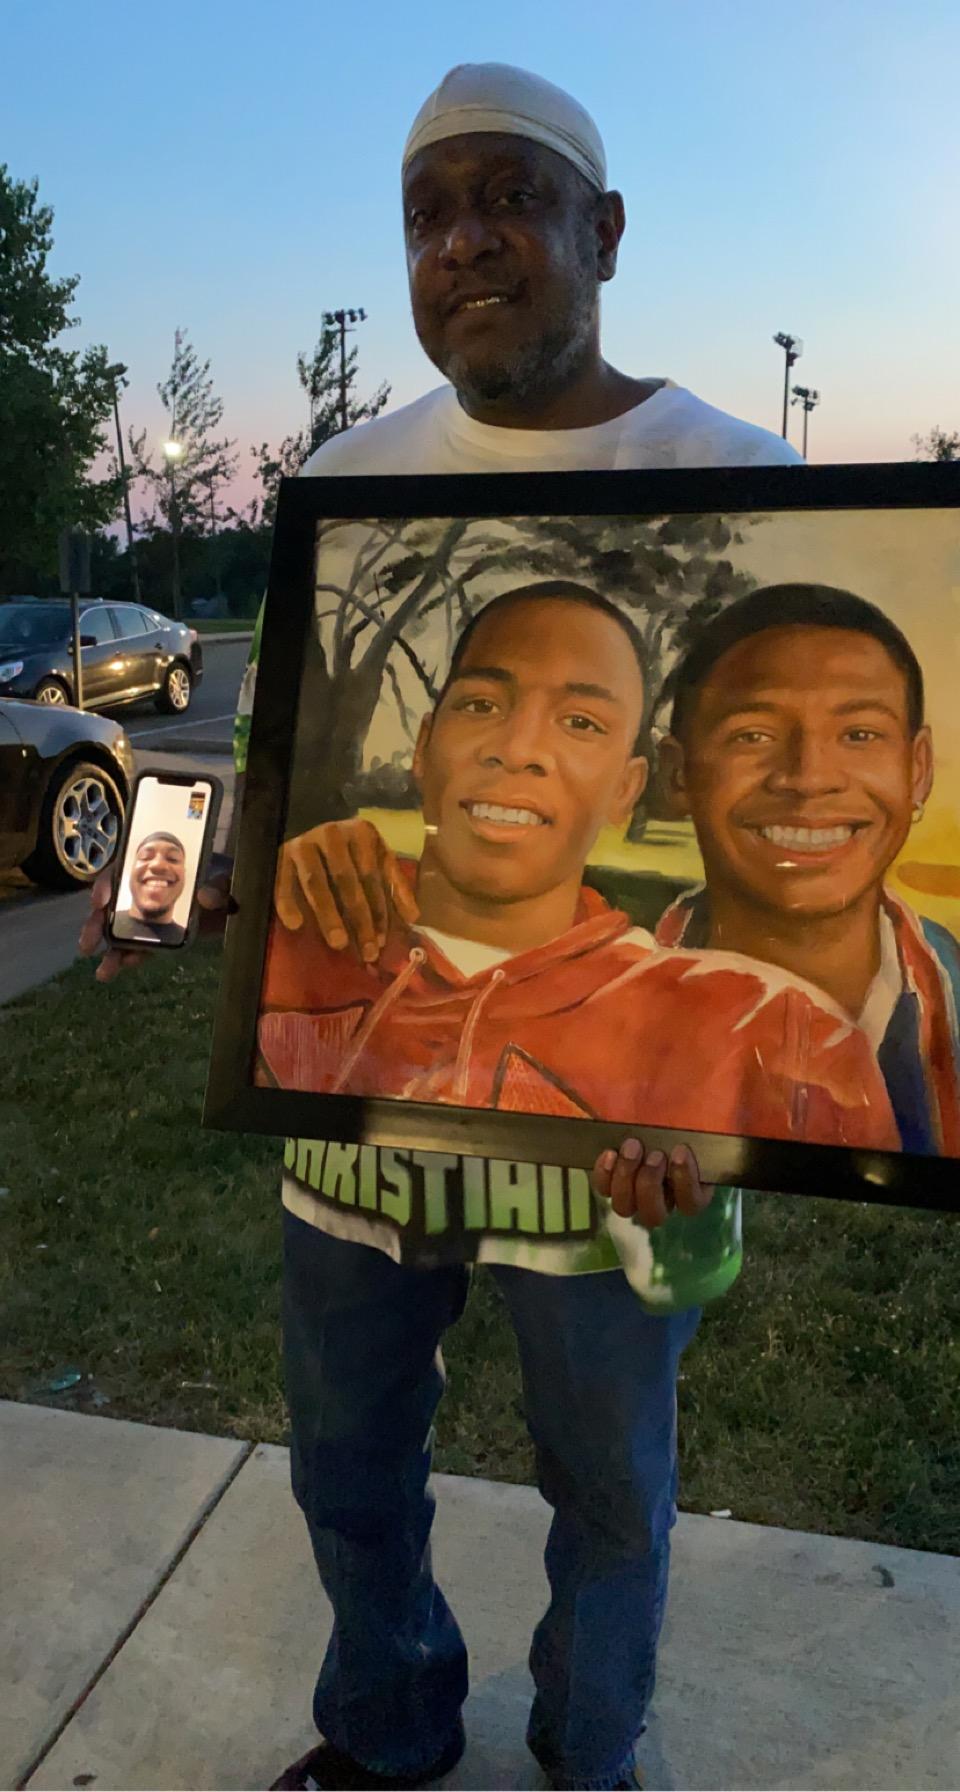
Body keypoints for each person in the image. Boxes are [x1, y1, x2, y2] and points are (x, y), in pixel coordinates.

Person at [82, 62, 803, 1792]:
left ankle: (590, 1749)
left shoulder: (746, 473)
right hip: (360, 1119)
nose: (463, 243)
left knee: (610, 1486)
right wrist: (212, 884)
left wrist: (730, 1094)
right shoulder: (347, 478)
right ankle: (389, 1725)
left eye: (506, 200)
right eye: (426, 215)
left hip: (619, 1145)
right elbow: (281, 777)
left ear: (604, 230)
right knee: (346, 1460)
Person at [260, 580, 897, 1160]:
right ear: (424, 747)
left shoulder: (770, 1032)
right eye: (481, 705)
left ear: (626, 789)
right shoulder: (295, 917)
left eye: (580, 723)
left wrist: (686, 1229)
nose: (517, 750)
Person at [654, 583, 960, 1155]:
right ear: (678, 774)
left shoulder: (953, 993)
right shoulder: (589, 1001)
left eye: (860, 735)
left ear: (917, 770)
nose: (808, 777)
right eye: (753, 735)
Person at [112, 832, 187, 945]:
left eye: (173, 859)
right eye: (145, 857)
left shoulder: (190, 942)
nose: (158, 865)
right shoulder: (102, 926)